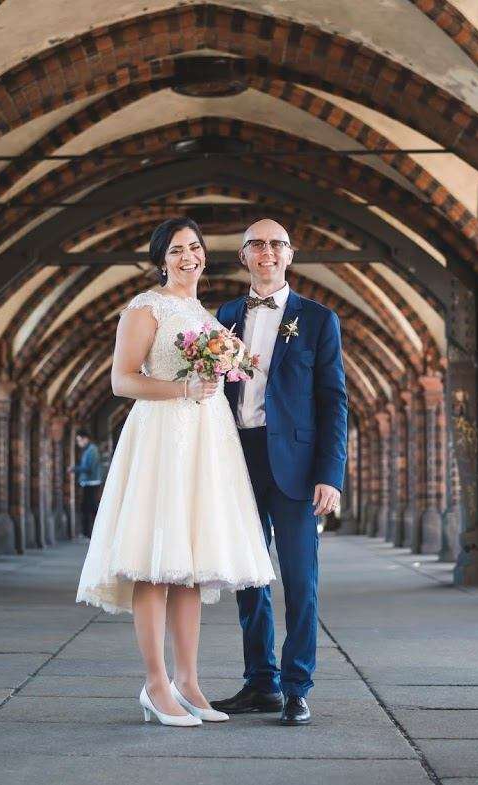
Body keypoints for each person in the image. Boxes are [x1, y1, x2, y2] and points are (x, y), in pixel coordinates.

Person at [76, 217, 275, 727]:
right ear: (161, 259)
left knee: (189, 566)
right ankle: (155, 684)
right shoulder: (146, 307)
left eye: (195, 248)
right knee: (154, 561)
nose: (189, 257)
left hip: (206, 441)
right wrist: (183, 390)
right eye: (177, 250)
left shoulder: (202, 313)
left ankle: (189, 681)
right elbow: (123, 380)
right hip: (163, 437)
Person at [210, 219, 348, 726]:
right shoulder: (222, 318)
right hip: (237, 458)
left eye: (276, 244)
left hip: (296, 465)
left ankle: (296, 687)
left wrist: (330, 474)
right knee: (249, 576)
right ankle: (260, 683)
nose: (266, 252)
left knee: (300, 578)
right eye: (256, 245)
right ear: (243, 256)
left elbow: (334, 402)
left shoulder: (317, 319)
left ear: (290, 255)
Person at [69, 430, 102, 539]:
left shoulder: (92, 450)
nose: (79, 443)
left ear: (85, 439)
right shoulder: (88, 450)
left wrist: (74, 469)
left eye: (79, 440)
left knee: (90, 508)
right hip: (88, 482)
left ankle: (89, 533)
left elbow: (89, 468)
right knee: (88, 508)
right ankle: (87, 532)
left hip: (91, 483)